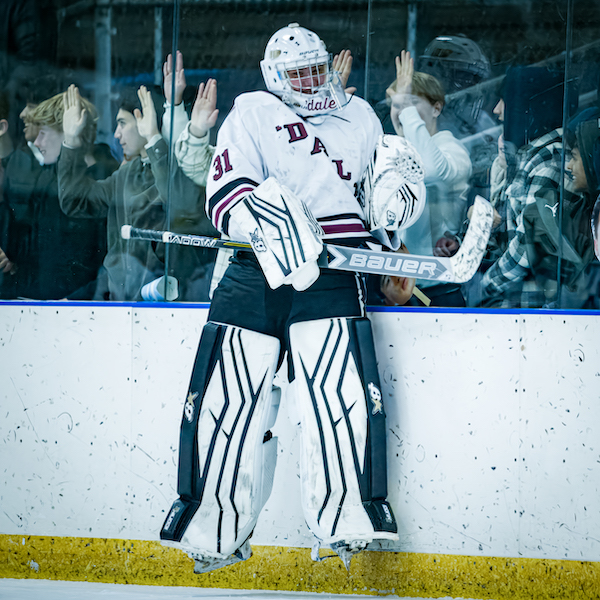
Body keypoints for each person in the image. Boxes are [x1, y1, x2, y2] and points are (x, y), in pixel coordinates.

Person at [160, 23, 404, 573]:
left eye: (317, 70)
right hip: (255, 270)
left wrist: (391, 211)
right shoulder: (250, 112)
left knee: (336, 399)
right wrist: (265, 219)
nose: (312, 81)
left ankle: (347, 520)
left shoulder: (362, 116)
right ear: (275, 77)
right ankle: (212, 527)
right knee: (229, 396)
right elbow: (225, 193)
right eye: (299, 74)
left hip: (335, 275)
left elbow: (374, 202)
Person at [58, 82, 210, 301]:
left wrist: (154, 139)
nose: (117, 134)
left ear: (143, 120)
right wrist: (71, 141)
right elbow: (76, 201)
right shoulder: (126, 174)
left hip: (166, 306)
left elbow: (185, 206)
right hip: (119, 303)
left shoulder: (178, 172)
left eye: (122, 123)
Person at [475, 66, 585, 308]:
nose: (497, 111)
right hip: (515, 305)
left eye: (505, 100)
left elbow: (529, 241)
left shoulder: (550, 159)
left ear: (529, 107)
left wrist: (482, 286)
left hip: (530, 311)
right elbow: (509, 225)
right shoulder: (529, 155)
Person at [0, 90, 114, 300]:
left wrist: (74, 300)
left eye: (43, 133)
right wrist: (13, 261)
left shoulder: (106, 181)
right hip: (40, 303)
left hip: (87, 309)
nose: (37, 142)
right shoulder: (48, 179)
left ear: (70, 131)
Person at [384, 50, 472, 306]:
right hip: (397, 288)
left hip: (437, 289)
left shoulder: (452, 150)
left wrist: (407, 112)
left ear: (436, 108)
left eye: (409, 103)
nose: (400, 112)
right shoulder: (392, 154)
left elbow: (431, 171)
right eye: (396, 105)